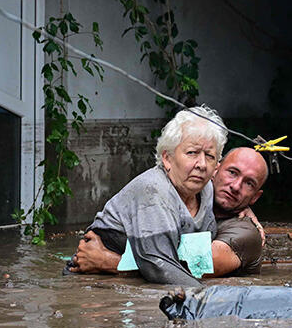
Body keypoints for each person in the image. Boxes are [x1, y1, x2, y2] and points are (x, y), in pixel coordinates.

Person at [79, 105, 226, 286]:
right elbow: (159, 267)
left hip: (126, 274)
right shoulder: (153, 190)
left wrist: (247, 211)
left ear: (216, 166)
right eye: (192, 153)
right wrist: (212, 299)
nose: (202, 164)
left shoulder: (207, 190)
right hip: (97, 285)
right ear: (167, 158)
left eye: (210, 156)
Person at [72, 146, 269, 277]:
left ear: (255, 197)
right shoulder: (185, 199)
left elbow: (192, 268)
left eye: (248, 183)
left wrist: (106, 262)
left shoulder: (246, 233)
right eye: (232, 173)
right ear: (214, 170)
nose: (235, 186)